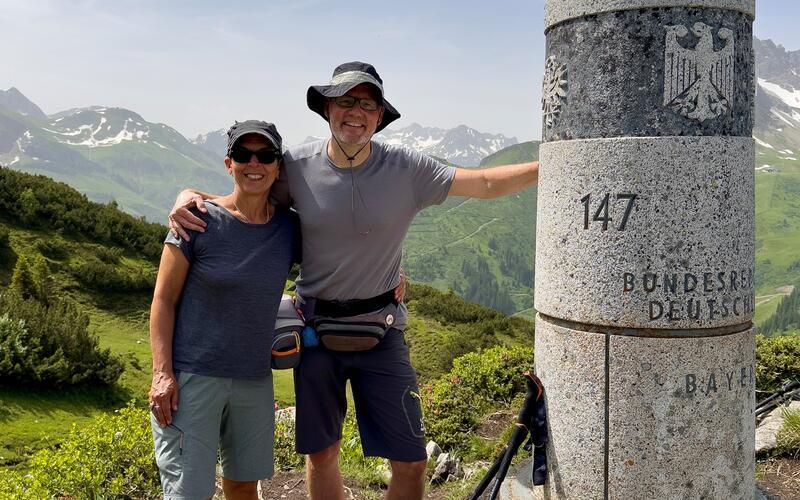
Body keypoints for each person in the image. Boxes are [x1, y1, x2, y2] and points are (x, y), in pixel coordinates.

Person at [168, 62, 539, 500]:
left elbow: (483, 184)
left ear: (380, 115)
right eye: (346, 101)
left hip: (382, 330)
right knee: (322, 454)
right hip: (314, 333)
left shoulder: (407, 167)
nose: (355, 112)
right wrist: (191, 194)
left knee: (412, 460)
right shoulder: (295, 166)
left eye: (367, 103)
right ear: (328, 109)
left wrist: (553, 163)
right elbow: (248, 192)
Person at [150, 120, 299, 500]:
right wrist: (162, 374)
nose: (255, 163)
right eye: (243, 154)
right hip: (192, 380)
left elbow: (339, 250)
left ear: (277, 166)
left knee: (244, 487)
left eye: (265, 155)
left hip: (253, 379)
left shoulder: (288, 228)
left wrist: (392, 270)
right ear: (228, 162)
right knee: (188, 493)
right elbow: (163, 300)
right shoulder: (196, 220)